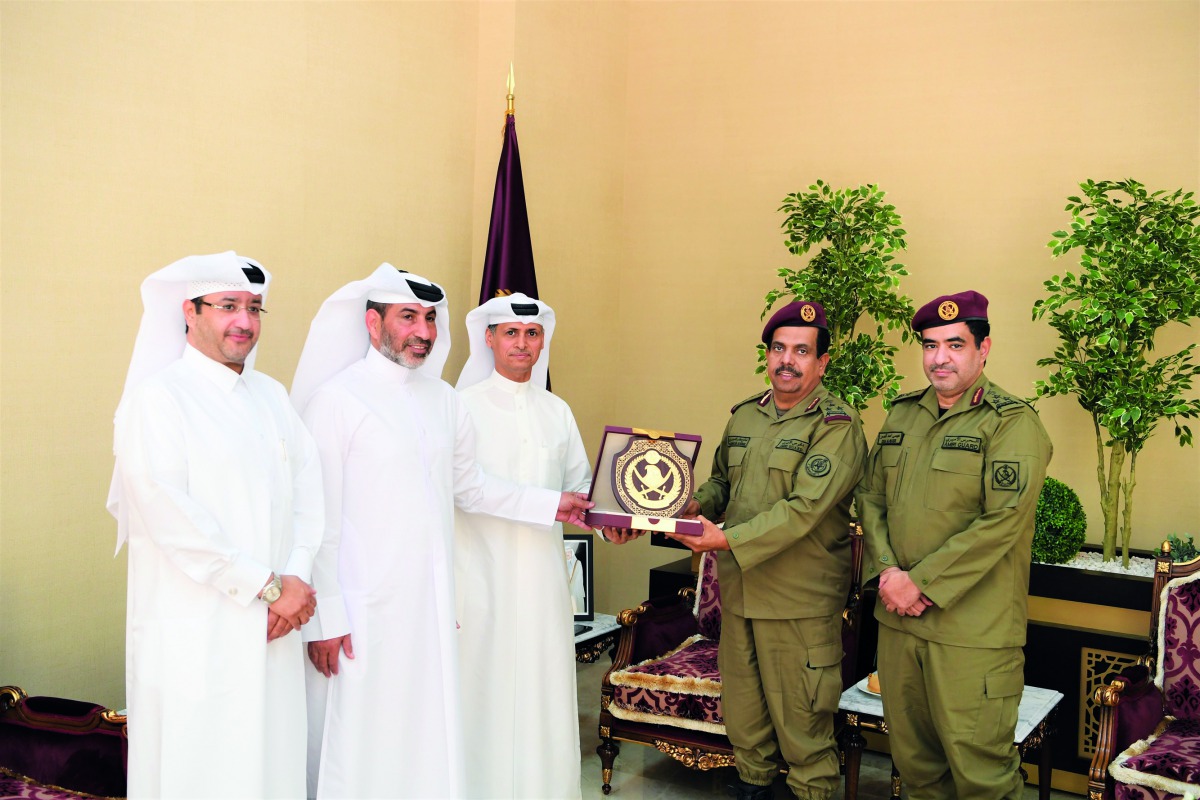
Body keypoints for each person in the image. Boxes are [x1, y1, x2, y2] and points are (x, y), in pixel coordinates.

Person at [289, 266, 592, 800]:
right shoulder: (336, 401)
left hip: (430, 610)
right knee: (363, 739)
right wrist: (327, 619)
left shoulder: (442, 399)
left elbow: (470, 488)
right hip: (362, 611)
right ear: (372, 322)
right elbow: (318, 519)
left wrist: (554, 503)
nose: (423, 332)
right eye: (408, 317)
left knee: (427, 736)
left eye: (429, 319)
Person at [107, 251, 324, 799]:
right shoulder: (158, 400)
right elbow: (170, 515)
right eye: (229, 306)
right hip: (197, 630)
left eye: (254, 308)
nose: (244, 322)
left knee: (271, 760)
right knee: (204, 765)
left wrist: (295, 580)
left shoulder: (272, 396)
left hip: (275, 622)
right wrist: (269, 586)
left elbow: (309, 495)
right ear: (190, 311)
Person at [661, 301, 867, 800]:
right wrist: (685, 505)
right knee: (746, 724)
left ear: (821, 363)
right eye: (778, 349)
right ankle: (752, 786)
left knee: (803, 730)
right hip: (741, 592)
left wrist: (724, 538)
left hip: (798, 601)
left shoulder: (837, 426)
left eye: (802, 350)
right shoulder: (745, 416)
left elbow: (803, 510)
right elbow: (719, 486)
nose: (787, 360)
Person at [856, 290, 1053, 800]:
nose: (939, 357)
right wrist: (887, 574)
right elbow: (871, 497)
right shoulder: (901, 415)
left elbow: (1001, 521)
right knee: (916, 768)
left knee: (982, 776)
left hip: (973, 635)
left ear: (983, 349)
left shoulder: (1012, 423)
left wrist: (917, 581)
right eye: (929, 345)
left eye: (955, 344)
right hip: (899, 624)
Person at [453, 293, 592, 800]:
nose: (522, 343)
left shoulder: (557, 411)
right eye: (510, 332)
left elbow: (580, 489)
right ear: (488, 338)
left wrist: (612, 521)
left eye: (532, 334)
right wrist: (552, 503)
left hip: (541, 582)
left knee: (542, 692)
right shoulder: (460, 407)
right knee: (480, 690)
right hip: (479, 577)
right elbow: (463, 490)